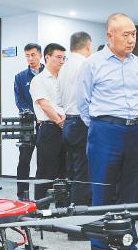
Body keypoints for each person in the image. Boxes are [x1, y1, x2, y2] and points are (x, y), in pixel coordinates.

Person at [78, 13, 138, 250]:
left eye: (134, 34)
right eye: (126, 34)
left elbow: (136, 97)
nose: (132, 39)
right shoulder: (92, 64)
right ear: (110, 36)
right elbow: (83, 103)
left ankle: (127, 245)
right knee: (102, 192)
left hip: (133, 131)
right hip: (104, 130)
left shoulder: (136, 64)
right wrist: (102, 126)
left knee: (130, 191)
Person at [58, 32, 93, 206]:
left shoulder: (64, 67)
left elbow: (58, 100)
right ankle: (80, 212)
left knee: (72, 169)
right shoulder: (85, 65)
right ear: (88, 46)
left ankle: (69, 208)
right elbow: (88, 97)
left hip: (68, 122)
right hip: (82, 122)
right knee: (83, 171)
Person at [30, 43, 67, 201]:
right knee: (45, 172)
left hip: (67, 128)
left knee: (65, 172)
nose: (62, 61)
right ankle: (40, 208)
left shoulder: (65, 79)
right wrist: (59, 121)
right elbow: (44, 105)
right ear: (47, 57)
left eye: (64, 58)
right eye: (59, 57)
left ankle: (63, 209)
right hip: (49, 129)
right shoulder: (39, 80)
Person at [14, 43, 44, 200]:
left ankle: (43, 195)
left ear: (40, 55)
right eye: (27, 56)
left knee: (44, 160)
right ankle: (22, 195)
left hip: (47, 122)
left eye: (33, 55)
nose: (30, 58)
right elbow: (20, 101)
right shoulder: (20, 77)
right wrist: (33, 114)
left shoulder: (49, 74)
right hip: (27, 123)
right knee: (24, 159)